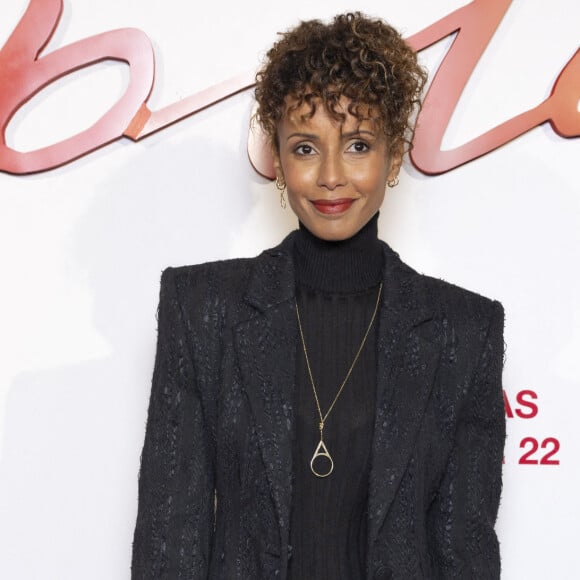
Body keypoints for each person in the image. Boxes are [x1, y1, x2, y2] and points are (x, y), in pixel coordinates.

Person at [131, 12, 506, 579]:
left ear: (395, 156)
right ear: (278, 161)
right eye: (306, 148)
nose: (331, 175)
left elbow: (465, 551)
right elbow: (170, 542)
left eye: (358, 144)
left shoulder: (464, 330)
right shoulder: (202, 309)